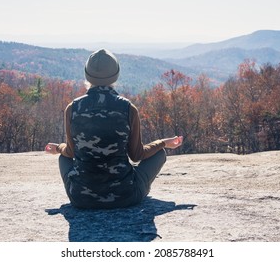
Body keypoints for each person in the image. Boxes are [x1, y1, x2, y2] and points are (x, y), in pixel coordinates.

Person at [45, 48, 183, 209]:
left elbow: (70, 152)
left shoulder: (73, 108)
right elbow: (137, 155)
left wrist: (58, 148)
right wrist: (163, 143)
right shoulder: (128, 108)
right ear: (116, 75)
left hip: (81, 198)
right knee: (159, 153)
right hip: (125, 196)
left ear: (87, 75)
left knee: (63, 158)